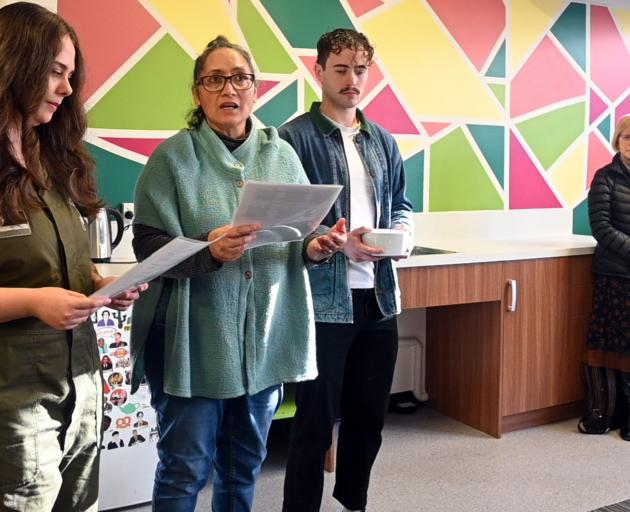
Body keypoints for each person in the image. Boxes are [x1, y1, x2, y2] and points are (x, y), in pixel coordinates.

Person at [130, 35, 346, 512]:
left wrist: (317, 246)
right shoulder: (172, 159)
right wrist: (209, 250)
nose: (229, 89)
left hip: (263, 341)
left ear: (255, 89)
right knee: (186, 468)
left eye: (240, 78)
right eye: (214, 79)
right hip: (193, 341)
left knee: (244, 463)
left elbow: (298, 236)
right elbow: (146, 245)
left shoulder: (282, 156)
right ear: (197, 93)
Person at [0, 4, 147, 511]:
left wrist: (98, 283)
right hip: (14, 400)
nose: (66, 89)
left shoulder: (54, 158)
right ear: (15, 61)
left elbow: (57, 264)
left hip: (81, 386)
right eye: (56, 72)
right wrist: (33, 302)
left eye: (71, 76)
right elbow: (34, 286)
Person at [280, 29, 414, 512]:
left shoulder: (382, 140)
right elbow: (283, 225)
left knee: (369, 417)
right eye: (340, 69)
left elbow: (401, 204)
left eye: (360, 70)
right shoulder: (292, 139)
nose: (352, 79)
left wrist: (401, 238)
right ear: (319, 71)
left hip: (378, 298)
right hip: (321, 301)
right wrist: (329, 245)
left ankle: (353, 501)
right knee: (314, 423)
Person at [581, 116, 630, 440]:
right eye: (628, 137)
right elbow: (600, 228)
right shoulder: (605, 177)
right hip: (615, 277)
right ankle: (613, 413)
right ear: (618, 141)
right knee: (616, 348)